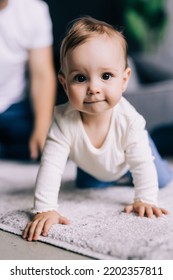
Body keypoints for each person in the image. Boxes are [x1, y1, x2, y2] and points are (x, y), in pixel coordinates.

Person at [23, 16, 172, 242]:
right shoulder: (63, 121)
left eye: (106, 76)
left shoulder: (129, 120)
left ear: (124, 80)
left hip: (131, 153)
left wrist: (145, 199)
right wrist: (45, 208)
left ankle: (153, 146)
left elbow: (141, 163)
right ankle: (113, 176)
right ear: (64, 83)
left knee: (157, 178)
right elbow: (51, 166)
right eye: (80, 78)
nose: (93, 88)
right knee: (88, 184)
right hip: (94, 164)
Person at [0, 0, 56, 160]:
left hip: (14, 107)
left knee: (57, 145)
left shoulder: (34, 10)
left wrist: (42, 126)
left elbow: (42, 75)